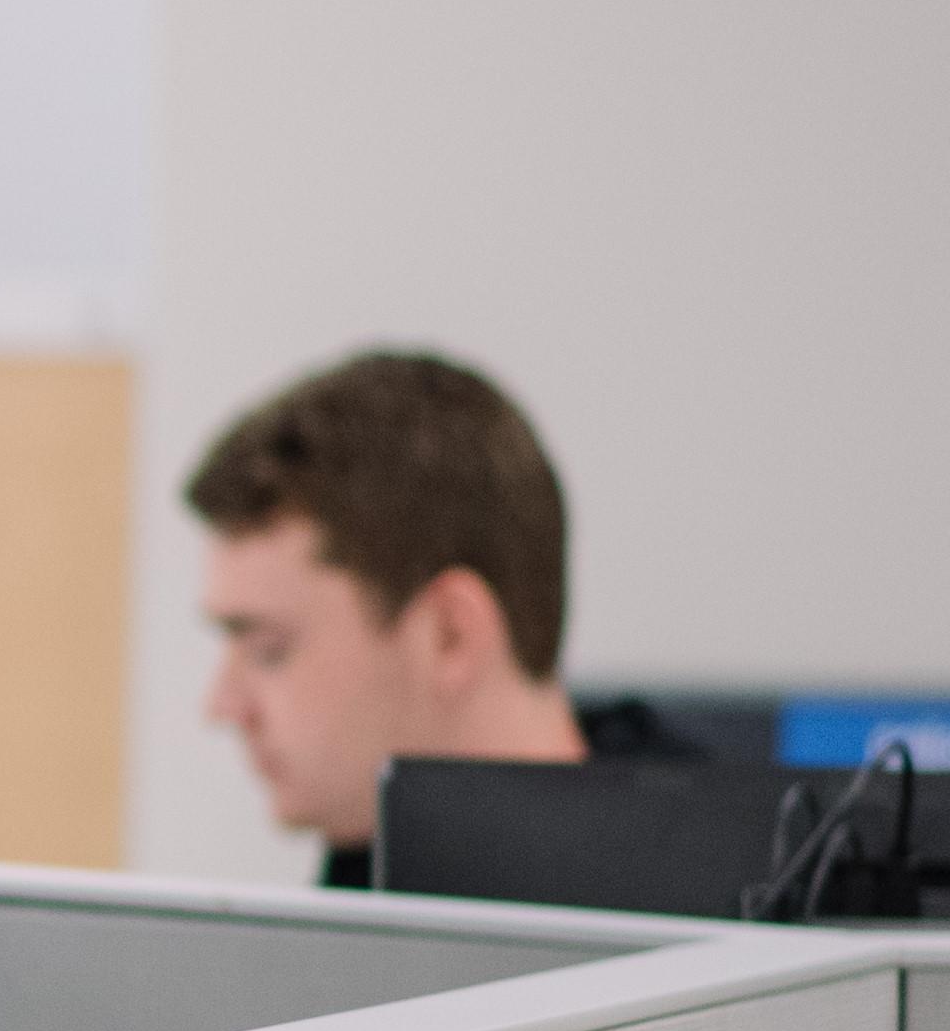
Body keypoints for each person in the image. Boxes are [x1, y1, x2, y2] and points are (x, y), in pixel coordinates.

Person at [183, 347, 689, 885]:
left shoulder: (749, 916)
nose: (223, 707)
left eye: (270, 649)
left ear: (450, 635)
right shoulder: (368, 869)